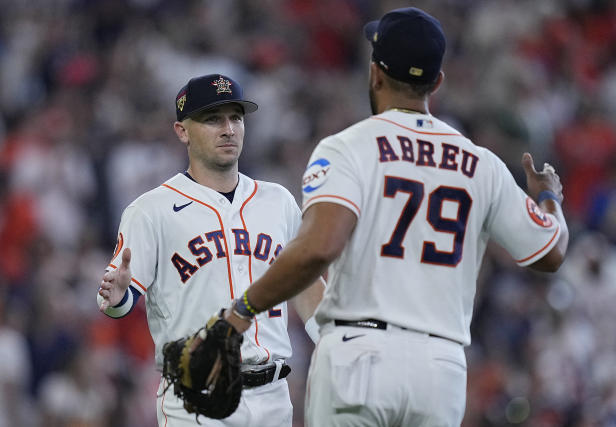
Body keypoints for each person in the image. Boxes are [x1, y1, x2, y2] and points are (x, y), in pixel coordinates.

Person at [223, 7, 569, 427]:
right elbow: (550, 251)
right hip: (442, 370)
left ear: (374, 73)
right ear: (437, 82)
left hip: (360, 356)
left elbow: (319, 249)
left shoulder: (349, 147)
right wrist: (549, 196)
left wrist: (242, 311)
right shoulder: (481, 164)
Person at [96, 73, 324, 427]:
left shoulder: (278, 201)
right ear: (182, 131)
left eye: (236, 117)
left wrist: (332, 342)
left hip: (274, 397)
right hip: (197, 399)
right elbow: (119, 304)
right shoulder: (151, 209)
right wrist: (119, 295)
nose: (228, 129)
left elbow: (306, 282)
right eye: (213, 119)